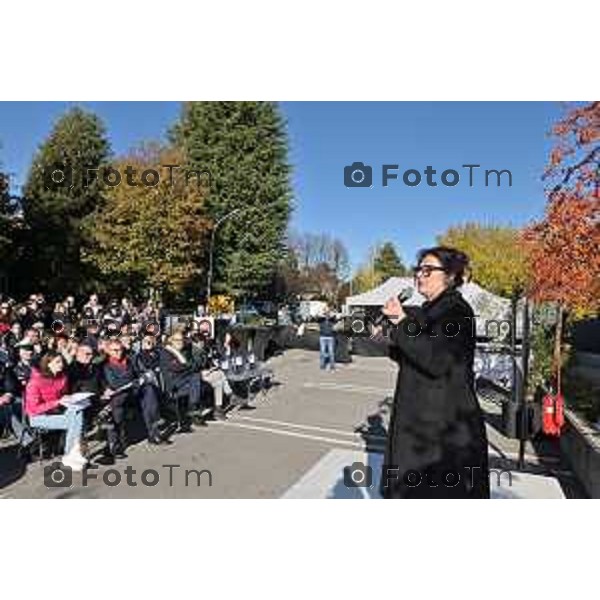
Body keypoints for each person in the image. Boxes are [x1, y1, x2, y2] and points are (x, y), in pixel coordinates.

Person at [379, 246, 489, 499]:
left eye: (428, 270)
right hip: (421, 424)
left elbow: (436, 360)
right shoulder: (428, 310)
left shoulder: (456, 311)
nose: (420, 275)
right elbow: (414, 354)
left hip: (441, 431)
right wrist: (390, 335)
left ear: (450, 276)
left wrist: (401, 323)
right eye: (418, 269)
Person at [24, 351, 87, 470]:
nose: (61, 364)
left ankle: (71, 456)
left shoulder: (62, 378)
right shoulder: (35, 382)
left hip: (57, 411)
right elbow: (33, 409)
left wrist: (70, 399)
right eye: (57, 362)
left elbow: (63, 396)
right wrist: (57, 402)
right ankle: (71, 455)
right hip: (37, 417)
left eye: (62, 361)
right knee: (74, 422)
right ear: (48, 364)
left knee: (78, 412)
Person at [102, 339, 164, 455]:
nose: (118, 352)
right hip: (119, 394)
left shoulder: (130, 360)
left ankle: (153, 433)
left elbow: (140, 372)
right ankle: (115, 442)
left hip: (133, 391)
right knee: (117, 402)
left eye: (120, 349)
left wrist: (142, 378)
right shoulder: (106, 365)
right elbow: (114, 383)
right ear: (108, 351)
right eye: (115, 350)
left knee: (149, 391)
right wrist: (133, 380)